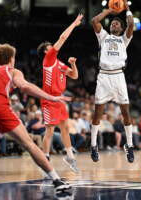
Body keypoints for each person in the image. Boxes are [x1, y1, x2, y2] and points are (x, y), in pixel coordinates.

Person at [0, 43, 72, 197]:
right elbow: (24, 86)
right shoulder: (12, 70)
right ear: (11, 59)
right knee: (29, 144)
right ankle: (57, 181)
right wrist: (52, 97)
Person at [37, 14, 83, 173]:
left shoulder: (59, 63)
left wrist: (73, 64)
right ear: (45, 51)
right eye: (50, 46)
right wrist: (74, 24)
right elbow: (63, 37)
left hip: (59, 100)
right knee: (49, 130)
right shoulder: (48, 59)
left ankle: (70, 157)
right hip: (49, 99)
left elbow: (74, 75)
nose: (53, 47)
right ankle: (45, 160)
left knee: (65, 128)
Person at [90, 0, 135, 163]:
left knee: (126, 113)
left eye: (117, 24)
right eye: (113, 23)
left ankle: (129, 146)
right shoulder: (103, 37)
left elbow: (131, 24)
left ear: (121, 29)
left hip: (118, 77)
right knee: (98, 113)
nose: (114, 25)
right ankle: (93, 145)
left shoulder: (124, 39)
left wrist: (127, 8)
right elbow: (95, 21)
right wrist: (109, 10)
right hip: (103, 76)